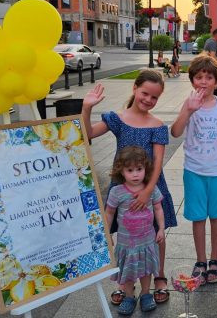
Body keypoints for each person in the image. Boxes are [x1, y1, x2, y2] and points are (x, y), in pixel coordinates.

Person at [82, 70, 176, 305]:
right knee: (125, 234)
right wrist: (87, 109)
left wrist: (147, 191)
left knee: (156, 233)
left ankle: (159, 275)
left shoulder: (157, 125)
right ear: (135, 88)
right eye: (145, 93)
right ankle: (126, 282)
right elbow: (87, 134)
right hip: (122, 187)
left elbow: (157, 163)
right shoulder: (118, 119)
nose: (148, 100)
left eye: (154, 97)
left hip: (152, 185)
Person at [171, 53, 217, 285]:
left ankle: (215, 258)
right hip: (194, 170)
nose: (204, 81)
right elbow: (176, 131)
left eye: (209, 77)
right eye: (199, 77)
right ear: (192, 81)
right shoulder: (189, 104)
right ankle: (201, 260)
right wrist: (188, 110)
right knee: (198, 218)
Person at [105, 146, 165, 315]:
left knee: (146, 270)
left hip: (147, 241)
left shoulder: (150, 189)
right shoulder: (116, 192)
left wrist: (161, 228)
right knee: (129, 271)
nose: (135, 174)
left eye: (139, 169)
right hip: (127, 244)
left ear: (145, 168)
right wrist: (106, 234)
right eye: (130, 170)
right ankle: (129, 296)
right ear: (121, 171)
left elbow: (159, 209)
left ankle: (146, 294)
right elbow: (109, 213)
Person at [203, 28, 217, 96]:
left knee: (214, 85)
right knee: (216, 86)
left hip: (209, 67)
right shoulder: (213, 43)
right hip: (212, 68)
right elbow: (213, 56)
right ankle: (215, 101)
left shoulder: (208, 41)